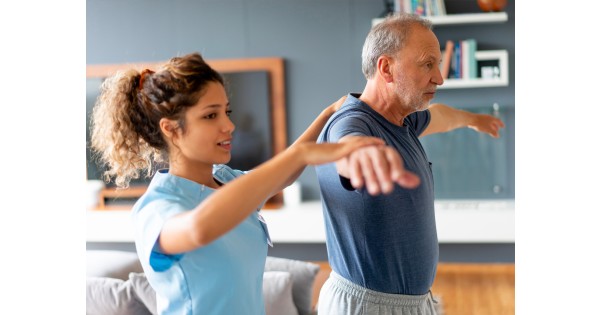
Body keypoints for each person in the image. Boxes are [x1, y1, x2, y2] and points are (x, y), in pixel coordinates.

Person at [89, 52, 395, 315]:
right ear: (172, 129)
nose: (229, 125)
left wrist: (328, 114)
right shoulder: (156, 208)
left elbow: (281, 176)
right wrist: (302, 154)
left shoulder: (225, 181)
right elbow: (199, 229)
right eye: (211, 116)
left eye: (226, 111)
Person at [314, 13, 506, 315]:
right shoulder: (352, 121)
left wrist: (473, 120)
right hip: (367, 306)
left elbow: (441, 116)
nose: (439, 78)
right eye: (427, 64)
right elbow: (347, 148)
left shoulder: (401, 120)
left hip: (411, 303)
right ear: (386, 68)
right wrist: (363, 158)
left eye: (438, 64)